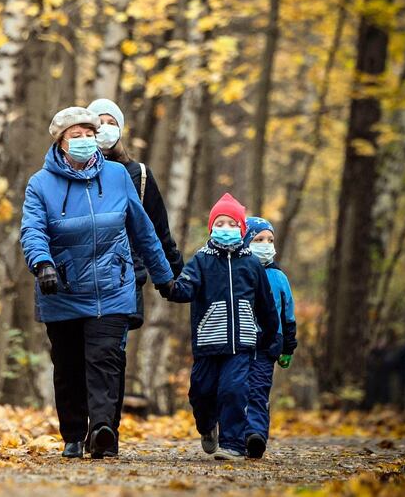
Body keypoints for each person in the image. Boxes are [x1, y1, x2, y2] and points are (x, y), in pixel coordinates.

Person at [20, 106, 174, 459]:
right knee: (69, 365)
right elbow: (32, 229)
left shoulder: (118, 175)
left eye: (90, 135)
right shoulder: (40, 184)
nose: (86, 141)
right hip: (62, 287)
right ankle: (74, 434)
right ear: (60, 142)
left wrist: (164, 277)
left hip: (112, 285)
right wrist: (41, 263)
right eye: (77, 136)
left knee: (105, 359)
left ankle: (103, 429)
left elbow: (143, 229)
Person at [87, 98, 183, 453]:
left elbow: (158, 230)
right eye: (96, 124)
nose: (103, 130)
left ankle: (104, 430)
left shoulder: (138, 176)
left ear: (121, 130)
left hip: (125, 277)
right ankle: (85, 424)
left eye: (110, 123)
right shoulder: (71, 172)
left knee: (111, 354)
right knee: (81, 355)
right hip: (79, 281)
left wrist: (176, 275)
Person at [159, 193, 279, 460]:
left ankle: (233, 444)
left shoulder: (251, 264)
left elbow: (266, 304)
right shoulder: (201, 260)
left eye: (232, 224)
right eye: (220, 223)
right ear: (211, 227)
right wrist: (168, 286)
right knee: (201, 392)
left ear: (242, 229)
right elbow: (185, 289)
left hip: (242, 344)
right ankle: (206, 426)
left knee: (233, 391)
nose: (226, 229)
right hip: (208, 341)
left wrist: (271, 334)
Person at [243, 217, 298, 459]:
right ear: (246, 242)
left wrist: (288, 347)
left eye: (270, 240)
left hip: (268, 344)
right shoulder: (238, 273)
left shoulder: (279, 278)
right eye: (258, 239)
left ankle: (255, 434)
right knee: (235, 389)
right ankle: (232, 436)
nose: (266, 244)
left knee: (258, 388)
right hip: (239, 340)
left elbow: (289, 315)